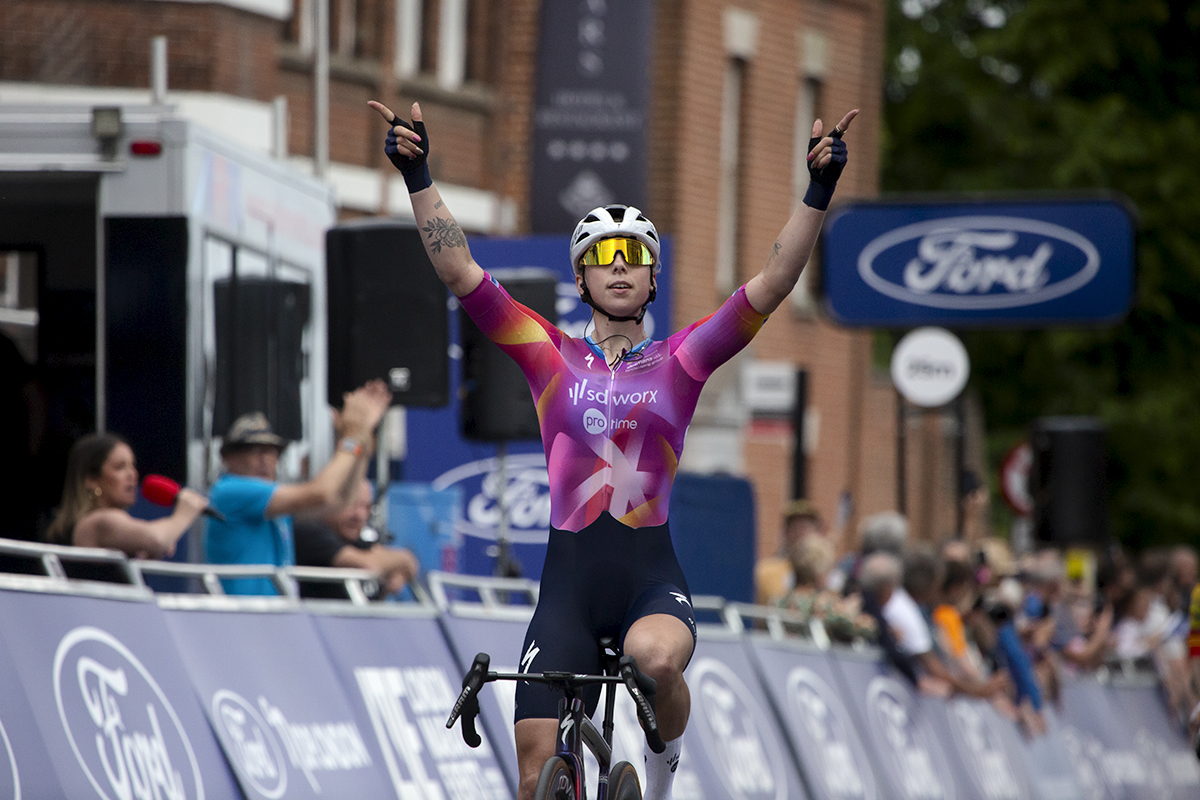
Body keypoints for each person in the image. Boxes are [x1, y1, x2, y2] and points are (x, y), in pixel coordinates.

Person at [369, 96, 857, 800]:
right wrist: (417, 175)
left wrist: (818, 189)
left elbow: (774, 282)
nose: (621, 268)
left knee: (654, 662)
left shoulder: (683, 360)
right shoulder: (549, 356)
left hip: (647, 583)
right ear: (582, 279)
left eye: (636, 258)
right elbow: (459, 273)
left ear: (654, 277)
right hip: (565, 589)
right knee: (535, 771)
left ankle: (661, 779)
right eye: (604, 259)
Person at [205, 380, 391, 595]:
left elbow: (340, 500)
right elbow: (322, 494)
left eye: (272, 452)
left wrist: (363, 435)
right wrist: (351, 439)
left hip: (271, 617)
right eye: (254, 451)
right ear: (228, 458)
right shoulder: (230, 490)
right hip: (245, 618)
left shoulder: (271, 503)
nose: (265, 460)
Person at [44, 432, 208, 558]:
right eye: (120, 467)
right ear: (92, 480)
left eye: (132, 466)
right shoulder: (100, 521)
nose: (132, 474)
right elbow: (158, 539)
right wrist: (184, 513)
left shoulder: (94, 523)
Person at [293, 477, 419, 599]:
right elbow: (369, 564)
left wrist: (398, 572)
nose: (359, 515)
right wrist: (397, 561)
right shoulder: (309, 533)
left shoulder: (356, 541)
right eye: (352, 504)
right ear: (328, 502)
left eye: (366, 507)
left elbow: (411, 563)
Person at [756, 498, 823, 606]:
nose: (800, 534)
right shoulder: (768, 570)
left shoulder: (822, 572)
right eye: (795, 527)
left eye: (805, 527)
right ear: (786, 532)